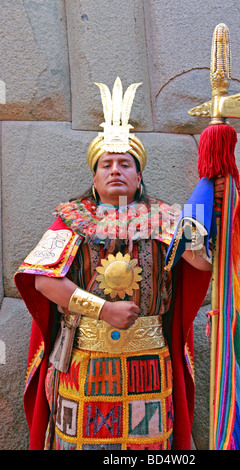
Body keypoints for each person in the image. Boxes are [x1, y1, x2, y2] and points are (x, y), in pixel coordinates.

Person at [15, 77, 224, 451]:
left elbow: (202, 265)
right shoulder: (71, 219)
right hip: (84, 359)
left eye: (125, 164)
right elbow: (44, 282)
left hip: (149, 361)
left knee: (149, 446)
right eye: (106, 164)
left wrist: (217, 203)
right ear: (94, 179)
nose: (115, 170)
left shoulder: (169, 219)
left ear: (139, 175)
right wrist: (105, 310)